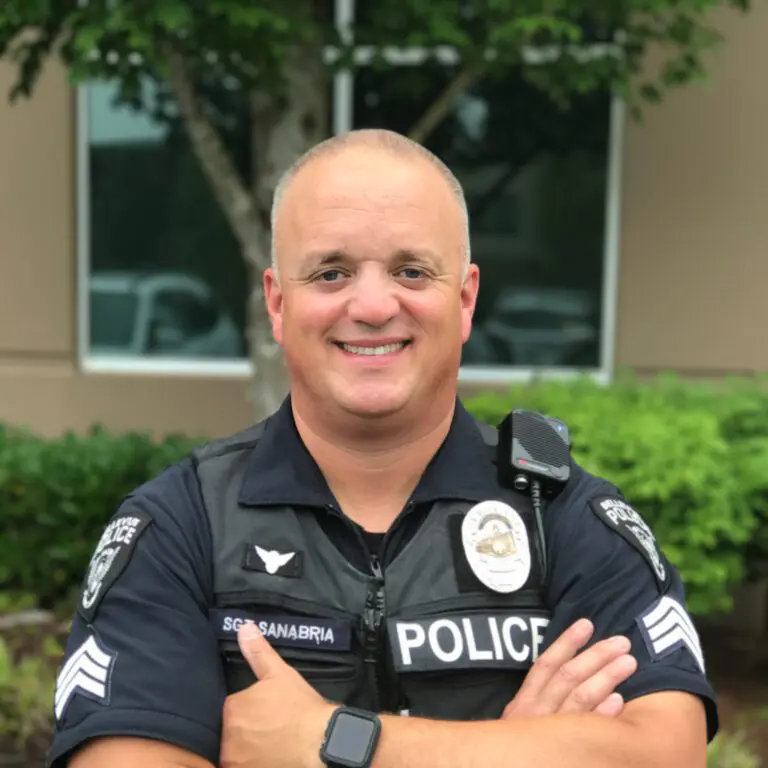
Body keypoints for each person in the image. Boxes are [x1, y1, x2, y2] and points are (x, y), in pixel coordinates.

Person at [47, 129, 715, 768]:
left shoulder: (563, 517)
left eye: (412, 270)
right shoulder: (181, 527)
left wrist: (337, 743)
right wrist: (509, 754)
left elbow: (666, 751)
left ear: (465, 297)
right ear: (278, 304)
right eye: (332, 272)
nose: (371, 305)